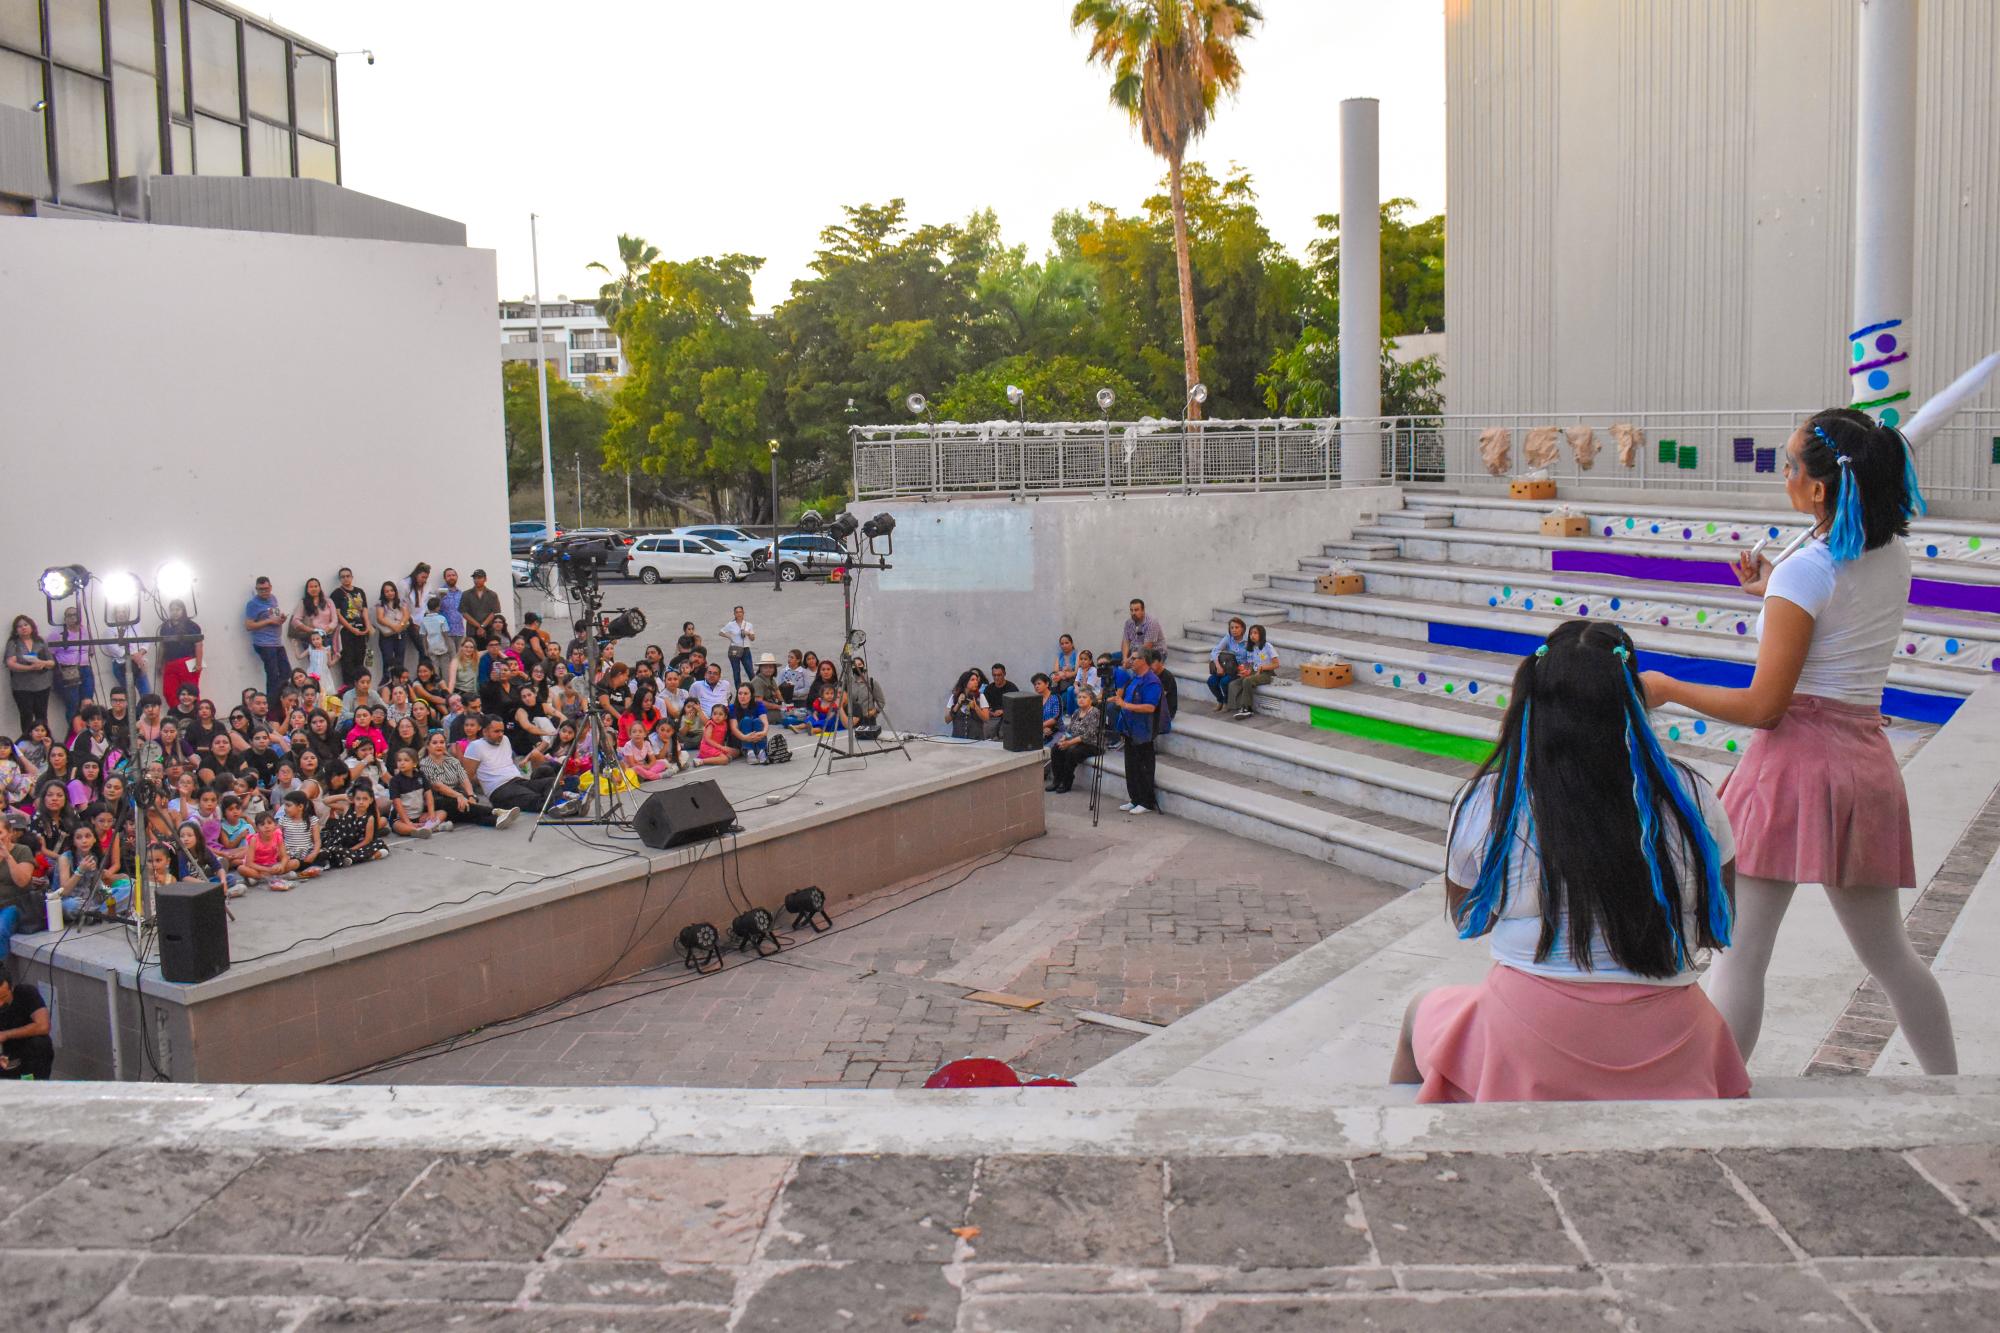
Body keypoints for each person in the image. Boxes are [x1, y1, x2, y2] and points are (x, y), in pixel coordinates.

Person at [1643, 408, 1956, 1075]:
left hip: (1793, 770)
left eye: (1790, 465)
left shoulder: (1806, 571)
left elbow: (1764, 705)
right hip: (1865, 763)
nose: (1783, 474)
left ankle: (1715, 1095)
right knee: (1891, 956)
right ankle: (1952, 1092)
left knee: (1745, 954)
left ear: (1820, 489)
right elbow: (1840, 621)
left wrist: (1667, 686)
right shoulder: (1889, 553)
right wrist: (1770, 593)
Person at [1393, 619, 1744, 1102]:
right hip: (1673, 1035)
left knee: (1419, 1012)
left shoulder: (1490, 801)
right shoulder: (1693, 796)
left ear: (1530, 702)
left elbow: (1470, 916)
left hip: (1528, 1034)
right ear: (1633, 701)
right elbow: (1716, 921)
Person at [419, 730, 516, 828]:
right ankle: (496, 811)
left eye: (442, 742)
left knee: (468, 811)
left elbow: (464, 778)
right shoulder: (425, 763)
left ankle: (496, 820)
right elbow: (438, 786)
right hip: (438, 799)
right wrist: (458, 796)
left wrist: (471, 796)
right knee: (458, 804)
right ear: (428, 746)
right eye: (434, 743)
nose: (439, 745)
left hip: (456, 797)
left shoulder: (452, 761)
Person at [464, 713, 559, 812]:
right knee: (535, 798)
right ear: (484, 732)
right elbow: (467, 776)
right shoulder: (475, 746)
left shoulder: (505, 739)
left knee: (552, 782)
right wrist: (479, 787)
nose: (501, 734)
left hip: (518, 781)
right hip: (499, 789)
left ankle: (557, 804)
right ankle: (557, 805)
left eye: (502, 731)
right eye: (496, 731)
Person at [1115, 650, 1162, 815]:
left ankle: (1146, 801)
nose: (1130, 661)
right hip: (1129, 728)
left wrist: (1126, 706)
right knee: (1131, 766)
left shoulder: (1152, 681)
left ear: (1143, 661)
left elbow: (1150, 707)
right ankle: (1135, 798)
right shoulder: (1135, 679)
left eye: (1134, 658)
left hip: (1143, 730)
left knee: (1144, 766)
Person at [1048, 687, 1105, 794]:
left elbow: (1088, 735)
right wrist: (1063, 739)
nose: (1081, 699)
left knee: (1071, 752)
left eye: (1084, 697)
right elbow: (1069, 730)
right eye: (1079, 697)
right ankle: (1057, 780)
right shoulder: (1076, 712)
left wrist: (1069, 743)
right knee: (1056, 748)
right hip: (1076, 741)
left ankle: (1066, 783)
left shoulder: (1095, 712)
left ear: (1091, 700)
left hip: (1092, 744)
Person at [0, 968, 53, 1081]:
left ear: (11, 989)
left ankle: (34, 1084)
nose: (0, 1003)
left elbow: (43, 1026)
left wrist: (6, 1034)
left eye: (3, 998)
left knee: (41, 1043)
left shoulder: (26, 993)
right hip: (4, 1059)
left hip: (25, 1054)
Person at [245, 576, 290, 704]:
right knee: (272, 674)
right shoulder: (252, 604)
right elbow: (249, 625)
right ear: (256, 589)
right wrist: (268, 621)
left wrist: (280, 619)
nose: (264, 592)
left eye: (266, 589)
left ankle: (281, 698)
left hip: (276, 641)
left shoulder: (273, 598)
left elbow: (274, 619)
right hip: (264, 643)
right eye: (260, 590)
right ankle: (270, 703)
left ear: (270, 587)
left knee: (286, 672)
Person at [5, 615, 53, 734]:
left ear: (32, 626)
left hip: (42, 685)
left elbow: (51, 662)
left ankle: (43, 741)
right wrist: (29, 667)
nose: (23, 628)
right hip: (22, 687)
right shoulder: (14, 643)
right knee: (26, 716)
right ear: (16, 630)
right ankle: (27, 741)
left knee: (41, 715)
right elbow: (10, 663)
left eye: (26, 625)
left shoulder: (40, 641)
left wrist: (41, 663)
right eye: (19, 626)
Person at [49, 607, 95, 730]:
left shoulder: (85, 631)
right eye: (69, 615)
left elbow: (90, 650)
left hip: (85, 668)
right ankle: (75, 734)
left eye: (75, 614)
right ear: (65, 619)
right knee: (73, 705)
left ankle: (89, 731)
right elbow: (49, 653)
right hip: (68, 670)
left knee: (88, 703)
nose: (73, 617)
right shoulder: (58, 634)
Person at [0, 813, 37, 962]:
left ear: (10, 833)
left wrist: (8, 857)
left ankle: (2, 976)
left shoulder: (22, 851)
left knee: (1, 930)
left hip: (15, 905)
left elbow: (22, 881)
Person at [330, 568, 371, 689]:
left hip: (361, 630)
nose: (346, 578)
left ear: (352, 577)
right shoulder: (337, 593)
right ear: (340, 579)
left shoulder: (360, 591)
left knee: (360, 659)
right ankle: (348, 688)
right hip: (346, 632)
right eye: (343, 577)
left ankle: (361, 687)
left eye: (348, 576)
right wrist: (351, 629)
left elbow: (364, 611)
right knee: (347, 661)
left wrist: (367, 626)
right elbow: (338, 614)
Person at [1227, 625, 1279, 720]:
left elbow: (1276, 664)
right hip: (1254, 672)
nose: (1252, 635)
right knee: (1234, 683)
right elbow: (1251, 665)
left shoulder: (1267, 646)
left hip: (1266, 673)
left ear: (1261, 634)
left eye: (1255, 633)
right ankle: (1237, 706)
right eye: (1251, 633)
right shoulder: (1251, 648)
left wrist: (1263, 668)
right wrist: (1246, 671)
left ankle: (1247, 709)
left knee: (1247, 681)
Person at [1207, 617, 1249, 709]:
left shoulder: (1248, 641)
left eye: (1237, 627)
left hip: (1239, 670)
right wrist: (1218, 666)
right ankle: (1220, 700)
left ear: (1242, 628)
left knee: (1224, 681)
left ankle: (1226, 701)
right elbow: (1215, 651)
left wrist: (1246, 670)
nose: (1234, 630)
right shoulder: (1228, 637)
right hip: (1227, 667)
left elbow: (1252, 658)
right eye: (1232, 628)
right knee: (1211, 681)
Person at [373, 581, 411, 680]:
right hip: (387, 636)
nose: (390, 593)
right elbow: (380, 618)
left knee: (400, 659)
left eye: (392, 590)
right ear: (383, 593)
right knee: (387, 660)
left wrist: (401, 625)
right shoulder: (380, 603)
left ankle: (400, 682)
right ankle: (387, 682)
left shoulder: (401, 601)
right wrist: (393, 626)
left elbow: (406, 615)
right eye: (387, 591)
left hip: (401, 634)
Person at [459, 569, 504, 648]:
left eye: (479, 578)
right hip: (472, 630)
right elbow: (464, 612)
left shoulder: (492, 594)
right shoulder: (466, 594)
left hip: (488, 630)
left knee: (488, 652)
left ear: (485, 579)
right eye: (475, 578)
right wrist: (478, 626)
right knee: (472, 653)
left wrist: (482, 626)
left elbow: (494, 612)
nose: (477, 580)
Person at [846, 656, 886, 739]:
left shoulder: (872, 682)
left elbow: (881, 702)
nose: (857, 667)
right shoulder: (849, 684)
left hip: (869, 720)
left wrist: (874, 711)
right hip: (854, 720)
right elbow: (846, 701)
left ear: (864, 666)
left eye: (859, 664)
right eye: (854, 665)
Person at [730, 684, 770, 763]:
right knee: (746, 720)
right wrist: (745, 737)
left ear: (751, 695)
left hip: (756, 737)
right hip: (740, 738)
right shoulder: (732, 707)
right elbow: (733, 728)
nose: (742, 696)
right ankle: (749, 752)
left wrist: (764, 732)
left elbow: (765, 722)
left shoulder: (759, 705)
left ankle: (761, 751)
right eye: (740, 693)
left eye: (746, 693)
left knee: (757, 721)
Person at [719, 606, 756, 688]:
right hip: (735, 649)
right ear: (734, 614)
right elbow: (721, 632)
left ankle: (755, 689)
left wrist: (748, 633)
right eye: (737, 612)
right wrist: (729, 637)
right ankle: (739, 691)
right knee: (736, 672)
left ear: (743, 613)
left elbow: (753, 638)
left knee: (750, 670)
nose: (739, 614)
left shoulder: (748, 625)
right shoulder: (731, 624)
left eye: (740, 612)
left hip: (746, 649)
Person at [947, 668, 990, 740]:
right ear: (965, 682)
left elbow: (986, 718)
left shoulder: (980, 697)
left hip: (976, 741)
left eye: (976, 680)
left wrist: (976, 707)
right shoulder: (954, 697)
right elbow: (947, 720)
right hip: (957, 740)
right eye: (972, 680)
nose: (976, 682)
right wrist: (958, 704)